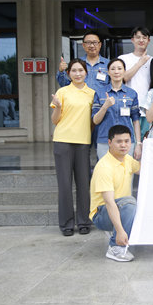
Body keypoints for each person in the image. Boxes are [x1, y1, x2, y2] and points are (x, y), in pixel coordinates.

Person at [50, 58, 95, 236]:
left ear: (86, 72)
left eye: (81, 70)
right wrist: (58, 107)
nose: (77, 74)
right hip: (63, 141)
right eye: (74, 71)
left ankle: (84, 222)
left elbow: (93, 120)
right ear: (68, 74)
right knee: (65, 185)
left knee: (83, 184)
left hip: (83, 142)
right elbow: (55, 120)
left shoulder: (92, 93)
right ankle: (66, 224)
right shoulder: (62, 92)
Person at [90, 125, 140, 262]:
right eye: (119, 141)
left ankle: (121, 233)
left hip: (120, 207)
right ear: (110, 143)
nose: (124, 145)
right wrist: (120, 230)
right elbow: (109, 202)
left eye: (127, 141)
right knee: (130, 203)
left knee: (135, 204)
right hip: (101, 213)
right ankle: (115, 247)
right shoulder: (104, 167)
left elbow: (145, 169)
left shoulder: (127, 159)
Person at [92, 58, 142, 160]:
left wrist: (138, 143)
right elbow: (95, 120)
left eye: (119, 68)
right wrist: (105, 106)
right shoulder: (100, 93)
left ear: (124, 71)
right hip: (105, 140)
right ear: (108, 72)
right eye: (113, 69)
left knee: (125, 169)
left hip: (126, 141)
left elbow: (136, 121)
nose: (116, 72)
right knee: (105, 169)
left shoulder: (132, 93)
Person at [119, 26, 152, 141]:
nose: (141, 40)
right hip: (128, 108)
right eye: (138, 37)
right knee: (129, 142)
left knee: (146, 143)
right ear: (132, 40)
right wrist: (140, 63)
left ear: (148, 41)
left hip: (147, 109)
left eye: (144, 37)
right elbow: (123, 78)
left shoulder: (152, 60)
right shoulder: (123, 59)